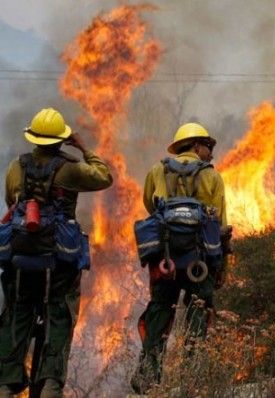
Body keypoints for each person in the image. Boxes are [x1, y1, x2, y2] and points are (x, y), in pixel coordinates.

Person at [0, 108, 113, 398]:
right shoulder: (70, 168)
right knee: (59, 317)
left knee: (16, 315)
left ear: (34, 138)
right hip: (59, 262)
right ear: (61, 140)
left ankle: (6, 383)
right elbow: (104, 177)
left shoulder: (16, 166)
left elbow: (11, 200)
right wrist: (85, 148)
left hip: (21, 258)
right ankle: (50, 385)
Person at [131, 122, 229, 393]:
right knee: (198, 312)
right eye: (208, 147)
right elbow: (220, 222)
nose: (210, 153)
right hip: (200, 260)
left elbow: (150, 204)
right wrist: (221, 263)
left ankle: (148, 378)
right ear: (196, 145)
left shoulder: (157, 169)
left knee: (160, 309)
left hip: (165, 258)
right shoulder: (212, 176)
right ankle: (191, 379)